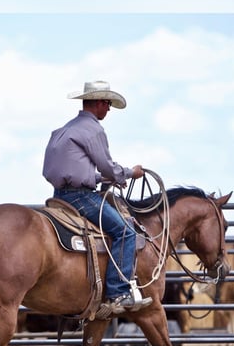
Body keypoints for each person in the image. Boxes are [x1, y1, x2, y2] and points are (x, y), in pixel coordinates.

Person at [42, 80, 153, 316]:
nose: (109, 109)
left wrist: (100, 180)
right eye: (108, 104)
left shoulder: (64, 130)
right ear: (99, 103)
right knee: (126, 232)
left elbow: (66, 169)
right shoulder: (93, 130)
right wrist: (130, 173)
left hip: (59, 196)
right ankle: (117, 293)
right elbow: (108, 169)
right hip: (80, 198)